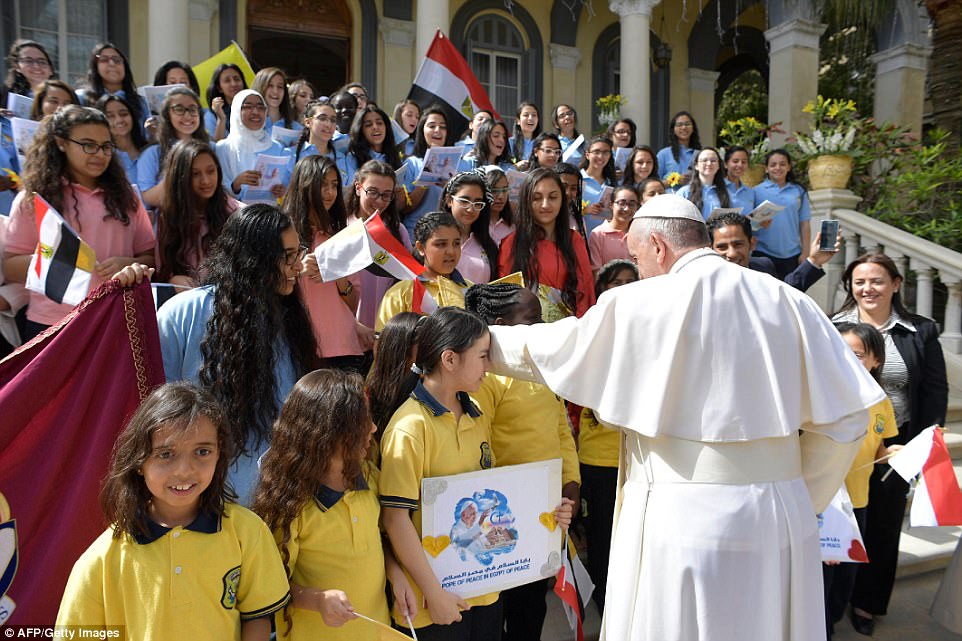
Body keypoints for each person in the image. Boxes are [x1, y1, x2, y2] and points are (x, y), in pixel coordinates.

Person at [484, 193, 885, 641]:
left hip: (678, 514)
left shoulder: (637, 302)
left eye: (637, 257)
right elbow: (849, 417)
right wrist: (794, 493)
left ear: (657, 245)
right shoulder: (788, 300)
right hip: (779, 514)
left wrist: (480, 341)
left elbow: (555, 350)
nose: (639, 269)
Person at [377, 306, 574, 637]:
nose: (489, 366)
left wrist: (548, 515)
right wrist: (434, 593)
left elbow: (493, 497)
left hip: (485, 591)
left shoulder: (477, 414)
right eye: (483, 356)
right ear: (450, 359)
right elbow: (395, 519)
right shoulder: (409, 428)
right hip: (431, 604)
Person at [56, 382, 291, 639]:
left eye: (202, 451)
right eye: (166, 454)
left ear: (219, 454)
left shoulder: (246, 532)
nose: (184, 470)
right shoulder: (102, 559)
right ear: (138, 462)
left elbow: (257, 616)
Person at [156, 204, 319, 504]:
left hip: (274, 501)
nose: (299, 265)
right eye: (288, 256)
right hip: (198, 500)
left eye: (300, 252)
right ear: (255, 259)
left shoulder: (291, 321)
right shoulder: (182, 314)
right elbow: (155, 406)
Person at [833, 253, 948, 636]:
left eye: (877, 281)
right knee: (841, 522)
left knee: (883, 527)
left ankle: (867, 603)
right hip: (841, 444)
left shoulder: (921, 330)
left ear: (896, 284)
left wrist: (927, 439)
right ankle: (831, 599)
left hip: (897, 445)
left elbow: (934, 389)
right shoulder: (832, 326)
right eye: (859, 281)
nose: (867, 289)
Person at [252, 370, 416, 640]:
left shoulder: (369, 477)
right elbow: (269, 587)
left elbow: (377, 539)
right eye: (361, 423)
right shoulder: (290, 507)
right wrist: (317, 600)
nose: (373, 428)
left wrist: (395, 573)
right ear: (326, 433)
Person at [464, 282, 579, 641]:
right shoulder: (486, 378)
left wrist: (570, 486)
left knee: (530, 610)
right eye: (532, 321)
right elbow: (479, 448)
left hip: (542, 516)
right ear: (500, 325)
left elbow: (562, 432)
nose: (541, 328)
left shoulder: (540, 370)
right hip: (500, 522)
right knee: (494, 612)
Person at [2, 105, 155, 339]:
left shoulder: (127, 196)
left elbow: (150, 256)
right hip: (52, 324)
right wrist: (60, 259)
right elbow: (11, 267)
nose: (100, 154)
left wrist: (130, 263)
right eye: (88, 145)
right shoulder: (33, 199)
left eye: (106, 146)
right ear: (61, 143)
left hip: (116, 319)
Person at [823, 322, 900, 641]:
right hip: (825, 505)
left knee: (845, 578)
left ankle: (833, 620)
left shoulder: (881, 401)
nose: (848, 360)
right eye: (840, 352)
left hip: (859, 503)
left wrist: (894, 452)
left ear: (876, 360)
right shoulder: (821, 396)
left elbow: (879, 450)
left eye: (857, 355)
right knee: (822, 580)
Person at [578, 258, 638, 611]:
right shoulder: (592, 328)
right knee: (601, 538)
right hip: (598, 457)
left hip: (638, 455)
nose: (623, 287)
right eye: (614, 282)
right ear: (601, 290)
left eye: (630, 280)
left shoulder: (654, 327)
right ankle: (606, 606)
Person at [285, 155, 369, 371]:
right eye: (322, 185)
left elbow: (352, 304)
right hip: (299, 346)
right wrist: (297, 270)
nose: (330, 192)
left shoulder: (343, 235)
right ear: (304, 186)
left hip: (343, 347)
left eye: (334, 185)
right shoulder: (283, 234)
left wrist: (336, 272)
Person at [499, 168, 594, 321]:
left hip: (570, 331)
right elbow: (505, 297)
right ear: (526, 201)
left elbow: (585, 290)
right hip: (527, 333)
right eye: (536, 198)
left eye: (553, 197)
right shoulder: (512, 243)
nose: (545, 205)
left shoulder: (574, 240)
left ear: (562, 200)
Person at [154, 140, 241, 288]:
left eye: (210, 171)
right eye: (195, 174)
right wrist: (173, 280)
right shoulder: (168, 217)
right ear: (180, 178)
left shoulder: (235, 213)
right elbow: (162, 270)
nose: (205, 180)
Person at [376, 211, 469, 330]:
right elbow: (383, 343)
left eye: (456, 243)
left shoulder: (470, 290)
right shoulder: (400, 293)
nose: (451, 251)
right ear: (421, 248)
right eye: (441, 244)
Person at [344, 160, 410, 329]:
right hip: (349, 327)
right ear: (358, 188)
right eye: (372, 192)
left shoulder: (398, 231)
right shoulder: (342, 228)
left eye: (386, 195)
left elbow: (408, 281)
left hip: (387, 327)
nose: (379, 201)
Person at [706, 211, 835, 292]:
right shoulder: (703, 282)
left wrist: (815, 260)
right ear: (711, 249)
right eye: (722, 247)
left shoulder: (763, 266)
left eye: (738, 244)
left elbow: (787, 293)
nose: (732, 253)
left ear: (752, 244)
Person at [138, 87, 209, 208]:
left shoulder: (211, 148)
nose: (187, 116)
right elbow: (148, 198)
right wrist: (176, 171)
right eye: (179, 109)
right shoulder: (153, 153)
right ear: (167, 115)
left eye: (192, 109)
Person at [215, 89, 286, 201]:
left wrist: (280, 190)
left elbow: (281, 183)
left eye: (260, 107)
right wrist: (237, 183)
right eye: (248, 107)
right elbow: (217, 189)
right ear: (237, 111)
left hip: (268, 214)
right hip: (235, 215)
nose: (256, 112)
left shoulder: (276, 147)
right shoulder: (224, 148)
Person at [752, 149, 811, 280]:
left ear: (789, 167)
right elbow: (750, 222)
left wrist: (806, 252)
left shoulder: (799, 191)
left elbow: (805, 224)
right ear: (766, 169)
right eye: (773, 165)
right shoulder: (755, 192)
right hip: (763, 253)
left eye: (782, 164)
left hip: (792, 254)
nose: (777, 168)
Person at [398, 106, 452, 237]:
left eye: (442, 127)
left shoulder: (454, 164)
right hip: (416, 235)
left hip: (445, 234)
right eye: (432, 126)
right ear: (422, 130)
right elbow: (405, 208)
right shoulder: (412, 163)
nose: (438, 130)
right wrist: (426, 177)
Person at [75, 43, 149, 137]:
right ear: (95, 66)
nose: (112, 64)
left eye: (117, 60)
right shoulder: (82, 98)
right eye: (104, 59)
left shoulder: (141, 102)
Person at [440, 170, 499, 283]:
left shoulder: (489, 245)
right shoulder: (433, 239)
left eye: (477, 203)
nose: (470, 209)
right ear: (449, 200)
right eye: (464, 201)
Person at [339, 104, 402, 185]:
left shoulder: (394, 156)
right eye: (368, 125)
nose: (375, 127)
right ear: (361, 130)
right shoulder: (352, 158)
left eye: (379, 123)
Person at [95, 94, 147, 184]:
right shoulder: (102, 157)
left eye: (124, 114)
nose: (119, 120)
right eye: (110, 116)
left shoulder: (150, 151)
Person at [588, 185, 637, 271]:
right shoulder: (598, 234)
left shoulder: (639, 234)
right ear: (611, 205)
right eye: (622, 203)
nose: (627, 209)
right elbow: (596, 271)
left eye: (632, 204)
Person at [676, 147, 731, 220]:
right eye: (704, 160)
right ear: (696, 166)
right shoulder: (684, 192)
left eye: (713, 160)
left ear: (718, 166)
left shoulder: (727, 191)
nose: (709, 163)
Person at [579, 135, 616, 234]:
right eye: (596, 152)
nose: (601, 156)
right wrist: (585, 210)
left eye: (605, 153)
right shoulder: (577, 179)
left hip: (606, 239)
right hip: (583, 238)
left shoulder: (612, 182)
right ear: (587, 155)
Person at [289, 99, 339, 171]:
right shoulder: (290, 155)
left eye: (333, 120)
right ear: (308, 122)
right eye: (322, 119)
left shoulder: (342, 158)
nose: (328, 125)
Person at [251, 67, 301, 135]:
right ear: (260, 87)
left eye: (280, 87)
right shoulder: (249, 124)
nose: (275, 91)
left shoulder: (297, 129)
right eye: (270, 85)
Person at [204, 63, 247, 142]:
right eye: (227, 81)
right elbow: (217, 146)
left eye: (237, 79)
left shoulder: (254, 108)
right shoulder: (211, 115)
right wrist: (221, 118)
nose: (233, 84)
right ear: (219, 88)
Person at [656, 111, 700, 181]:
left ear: (693, 128)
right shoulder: (663, 154)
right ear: (673, 130)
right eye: (679, 125)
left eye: (687, 124)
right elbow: (654, 183)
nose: (684, 127)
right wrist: (675, 180)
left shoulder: (700, 154)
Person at [483, 166, 514, 246]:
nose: (501, 196)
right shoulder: (473, 225)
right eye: (494, 191)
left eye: (504, 190)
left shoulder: (513, 225)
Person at [723, 145, 754, 214]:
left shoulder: (750, 192)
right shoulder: (716, 189)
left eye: (744, 162)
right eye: (735, 161)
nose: (740, 165)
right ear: (725, 164)